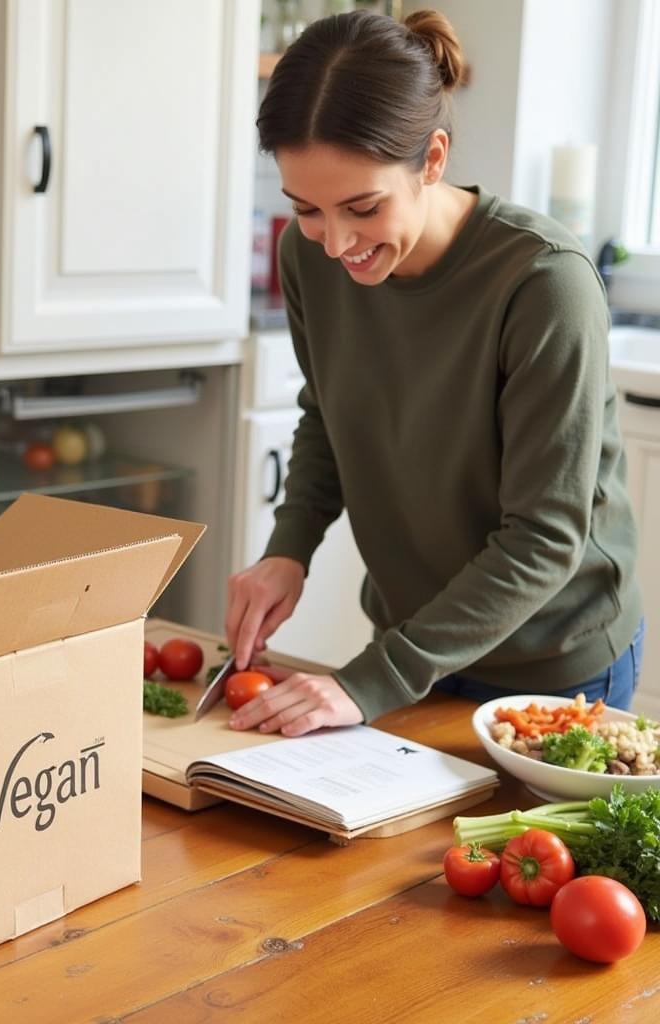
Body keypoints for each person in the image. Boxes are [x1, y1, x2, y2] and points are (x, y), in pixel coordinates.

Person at [225, 8, 644, 737]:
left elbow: (545, 535)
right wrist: (287, 549)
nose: (337, 245)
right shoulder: (308, 258)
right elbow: (328, 412)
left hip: (554, 665)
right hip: (417, 643)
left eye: (363, 206)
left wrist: (370, 680)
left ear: (434, 158)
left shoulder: (544, 283)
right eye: (309, 210)